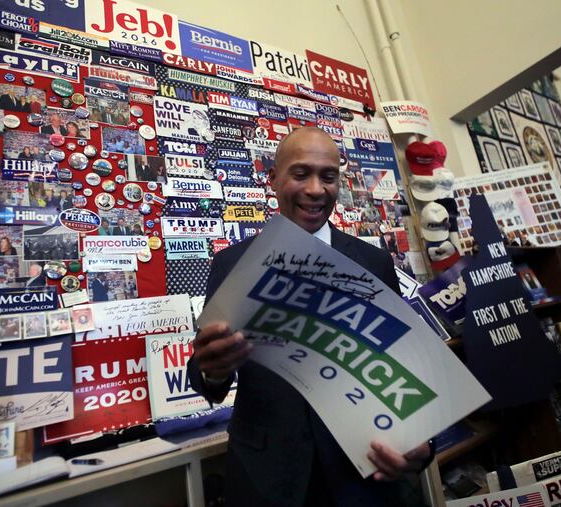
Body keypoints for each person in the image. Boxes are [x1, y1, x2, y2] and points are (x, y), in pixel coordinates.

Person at [186, 127, 433, 507]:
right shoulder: (232, 264)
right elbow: (208, 373)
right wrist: (213, 370)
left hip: (364, 478)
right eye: (301, 174)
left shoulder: (373, 263)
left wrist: (423, 440)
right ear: (273, 180)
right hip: (267, 477)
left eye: (328, 176)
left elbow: (407, 368)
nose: (316, 189)